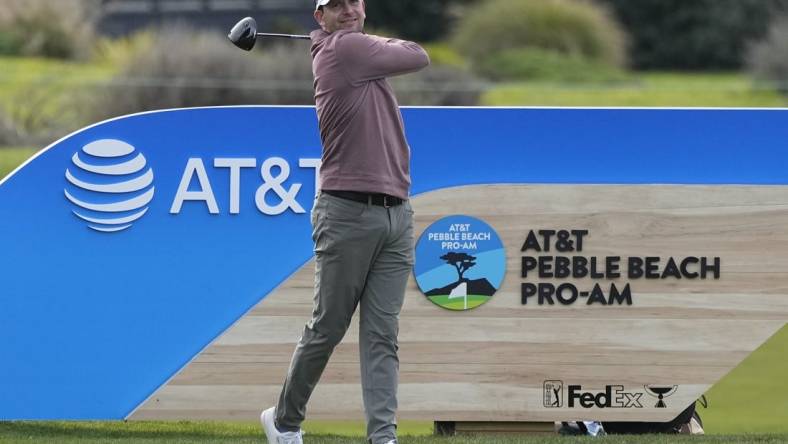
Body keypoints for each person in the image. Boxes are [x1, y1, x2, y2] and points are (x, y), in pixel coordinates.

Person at [260, 1, 430, 443]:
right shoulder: (345, 51)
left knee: (382, 336)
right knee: (327, 327)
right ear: (320, 17)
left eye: (352, 2)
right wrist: (373, 41)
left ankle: (383, 437)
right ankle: (283, 422)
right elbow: (416, 53)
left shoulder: (351, 51)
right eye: (335, 5)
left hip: (397, 211)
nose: (347, 10)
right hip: (346, 212)